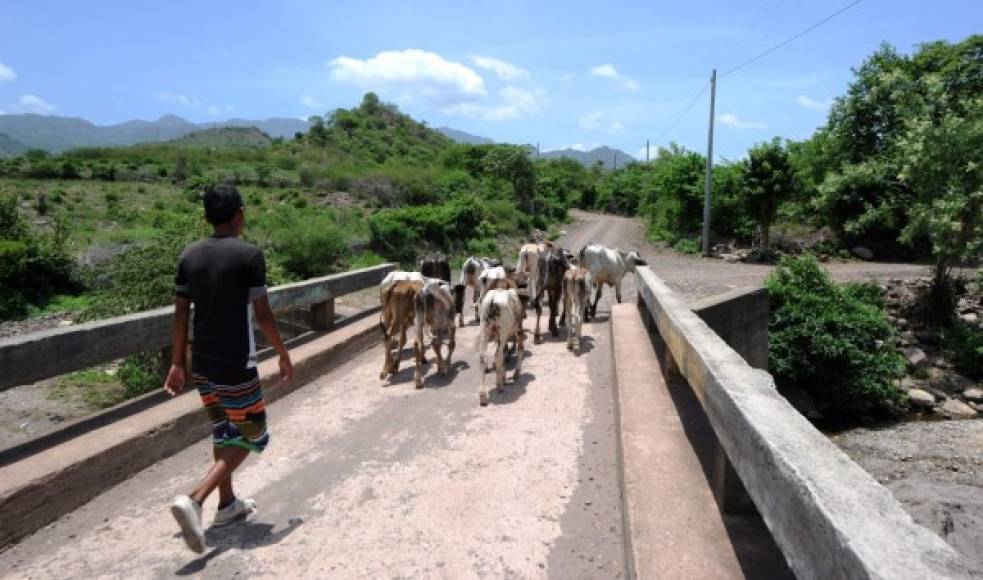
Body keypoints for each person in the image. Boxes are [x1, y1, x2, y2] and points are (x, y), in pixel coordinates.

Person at [164, 183, 293, 553]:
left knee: (224, 430)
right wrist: (283, 353)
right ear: (240, 215)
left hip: (201, 365)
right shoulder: (249, 255)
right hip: (236, 364)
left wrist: (177, 363)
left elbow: (179, 316)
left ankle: (227, 504)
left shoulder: (189, 256)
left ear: (207, 217)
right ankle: (196, 499)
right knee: (254, 435)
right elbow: (264, 315)